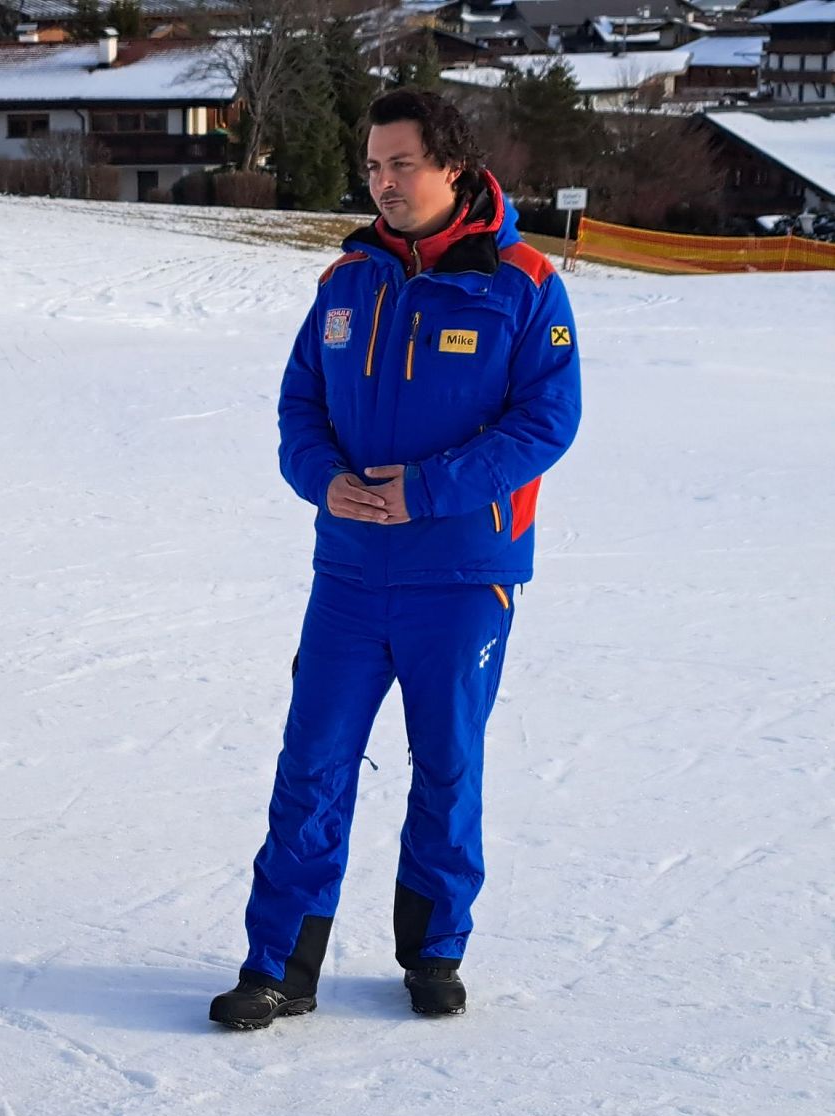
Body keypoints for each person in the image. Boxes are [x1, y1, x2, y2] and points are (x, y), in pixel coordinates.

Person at [210, 90, 582, 1031]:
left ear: (451, 164)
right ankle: (280, 967)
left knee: (448, 765)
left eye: (401, 164)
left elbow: (547, 420)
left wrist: (427, 489)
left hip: (461, 578)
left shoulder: (524, 282)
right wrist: (320, 477)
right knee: (312, 765)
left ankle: (434, 953)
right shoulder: (346, 282)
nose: (383, 183)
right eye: (372, 166)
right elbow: (300, 406)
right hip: (348, 577)